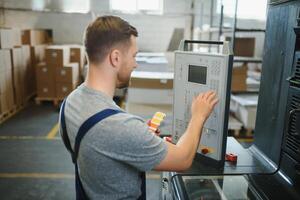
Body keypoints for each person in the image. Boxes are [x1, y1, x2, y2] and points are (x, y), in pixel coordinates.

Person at [60, 15, 218, 199]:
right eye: (134, 56)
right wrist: (198, 116)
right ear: (115, 58)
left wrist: (139, 137)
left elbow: (102, 147)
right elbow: (183, 159)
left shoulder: (70, 103)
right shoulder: (121, 127)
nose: (135, 63)